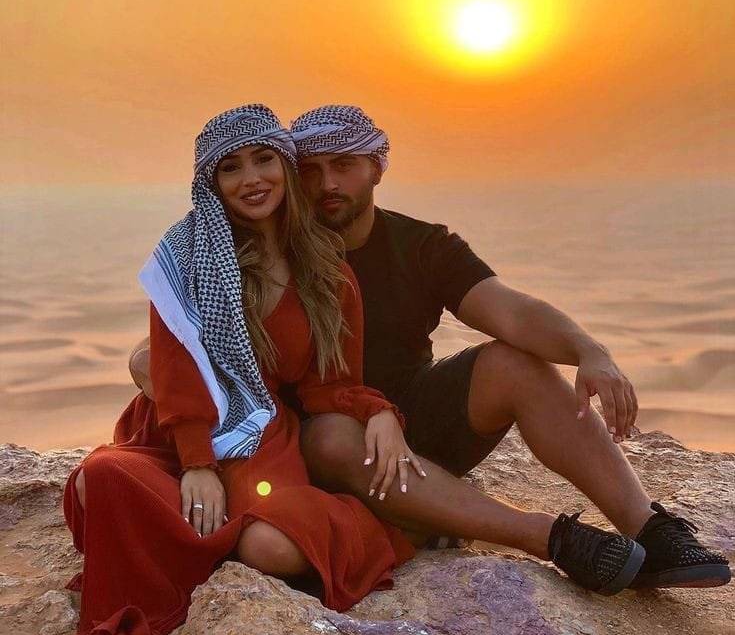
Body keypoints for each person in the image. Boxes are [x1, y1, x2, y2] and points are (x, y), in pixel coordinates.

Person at [131, 105, 731, 596]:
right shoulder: (252, 253)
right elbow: (165, 350)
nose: (327, 185)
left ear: (377, 169)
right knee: (335, 433)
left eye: (344, 165)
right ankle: (544, 536)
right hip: (306, 439)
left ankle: (651, 529)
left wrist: (588, 349)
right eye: (310, 171)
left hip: (409, 424)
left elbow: (509, 310)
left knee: (514, 362)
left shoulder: (422, 246)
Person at [62, 104, 415, 635]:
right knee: (97, 481)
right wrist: (198, 462)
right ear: (212, 182)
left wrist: (379, 412)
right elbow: (173, 372)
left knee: (271, 549)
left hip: (260, 436)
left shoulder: (328, 271)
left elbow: (332, 384)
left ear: (285, 164)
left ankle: (379, 529)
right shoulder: (185, 257)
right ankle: (198, 540)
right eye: (230, 168)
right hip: (176, 428)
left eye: (263, 159)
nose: (251, 179)